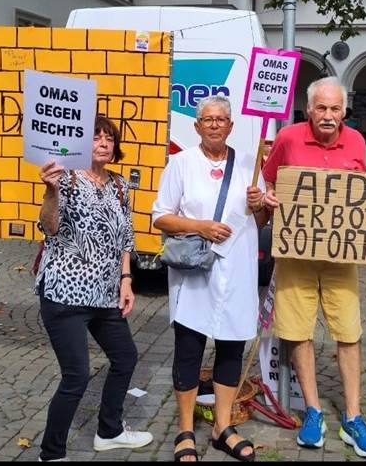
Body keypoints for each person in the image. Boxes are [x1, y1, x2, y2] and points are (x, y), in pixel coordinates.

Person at [255, 77, 366, 456]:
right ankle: (314, 411)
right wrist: (269, 198)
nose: (329, 115)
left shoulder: (357, 141)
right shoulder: (288, 138)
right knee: (298, 332)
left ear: (344, 111)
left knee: (348, 332)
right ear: (310, 108)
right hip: (296, 255)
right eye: (322, 108)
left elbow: (362, 188)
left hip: (342, 255)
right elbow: (269, 182)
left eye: (336, 109)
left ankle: (353, 417)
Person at [152, 96, 269, 462]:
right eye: (208, 119)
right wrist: (199, 226)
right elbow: (161, 217)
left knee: (231, 347)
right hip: (196, 272)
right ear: (197, 126)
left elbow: (260, 222)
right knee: (189, 348)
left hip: (237, 271)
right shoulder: (181, 163)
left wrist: (259, 206)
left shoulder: (250, 164)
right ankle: (186, 429)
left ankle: (222, 427)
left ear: (231, 126)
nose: (215, 124)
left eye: (221, 119)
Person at [34, 116, 153, 462]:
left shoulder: (119, 185)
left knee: (125, 357)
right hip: (65, 294)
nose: (103, 143)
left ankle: (109, 431)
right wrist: (51, 190)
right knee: (77, 375)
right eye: (95, 137)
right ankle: (51, 453)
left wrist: (126, 280)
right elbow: (50, 227)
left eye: (109, 138)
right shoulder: (65, 179)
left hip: (104, 295)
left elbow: (126, 237)